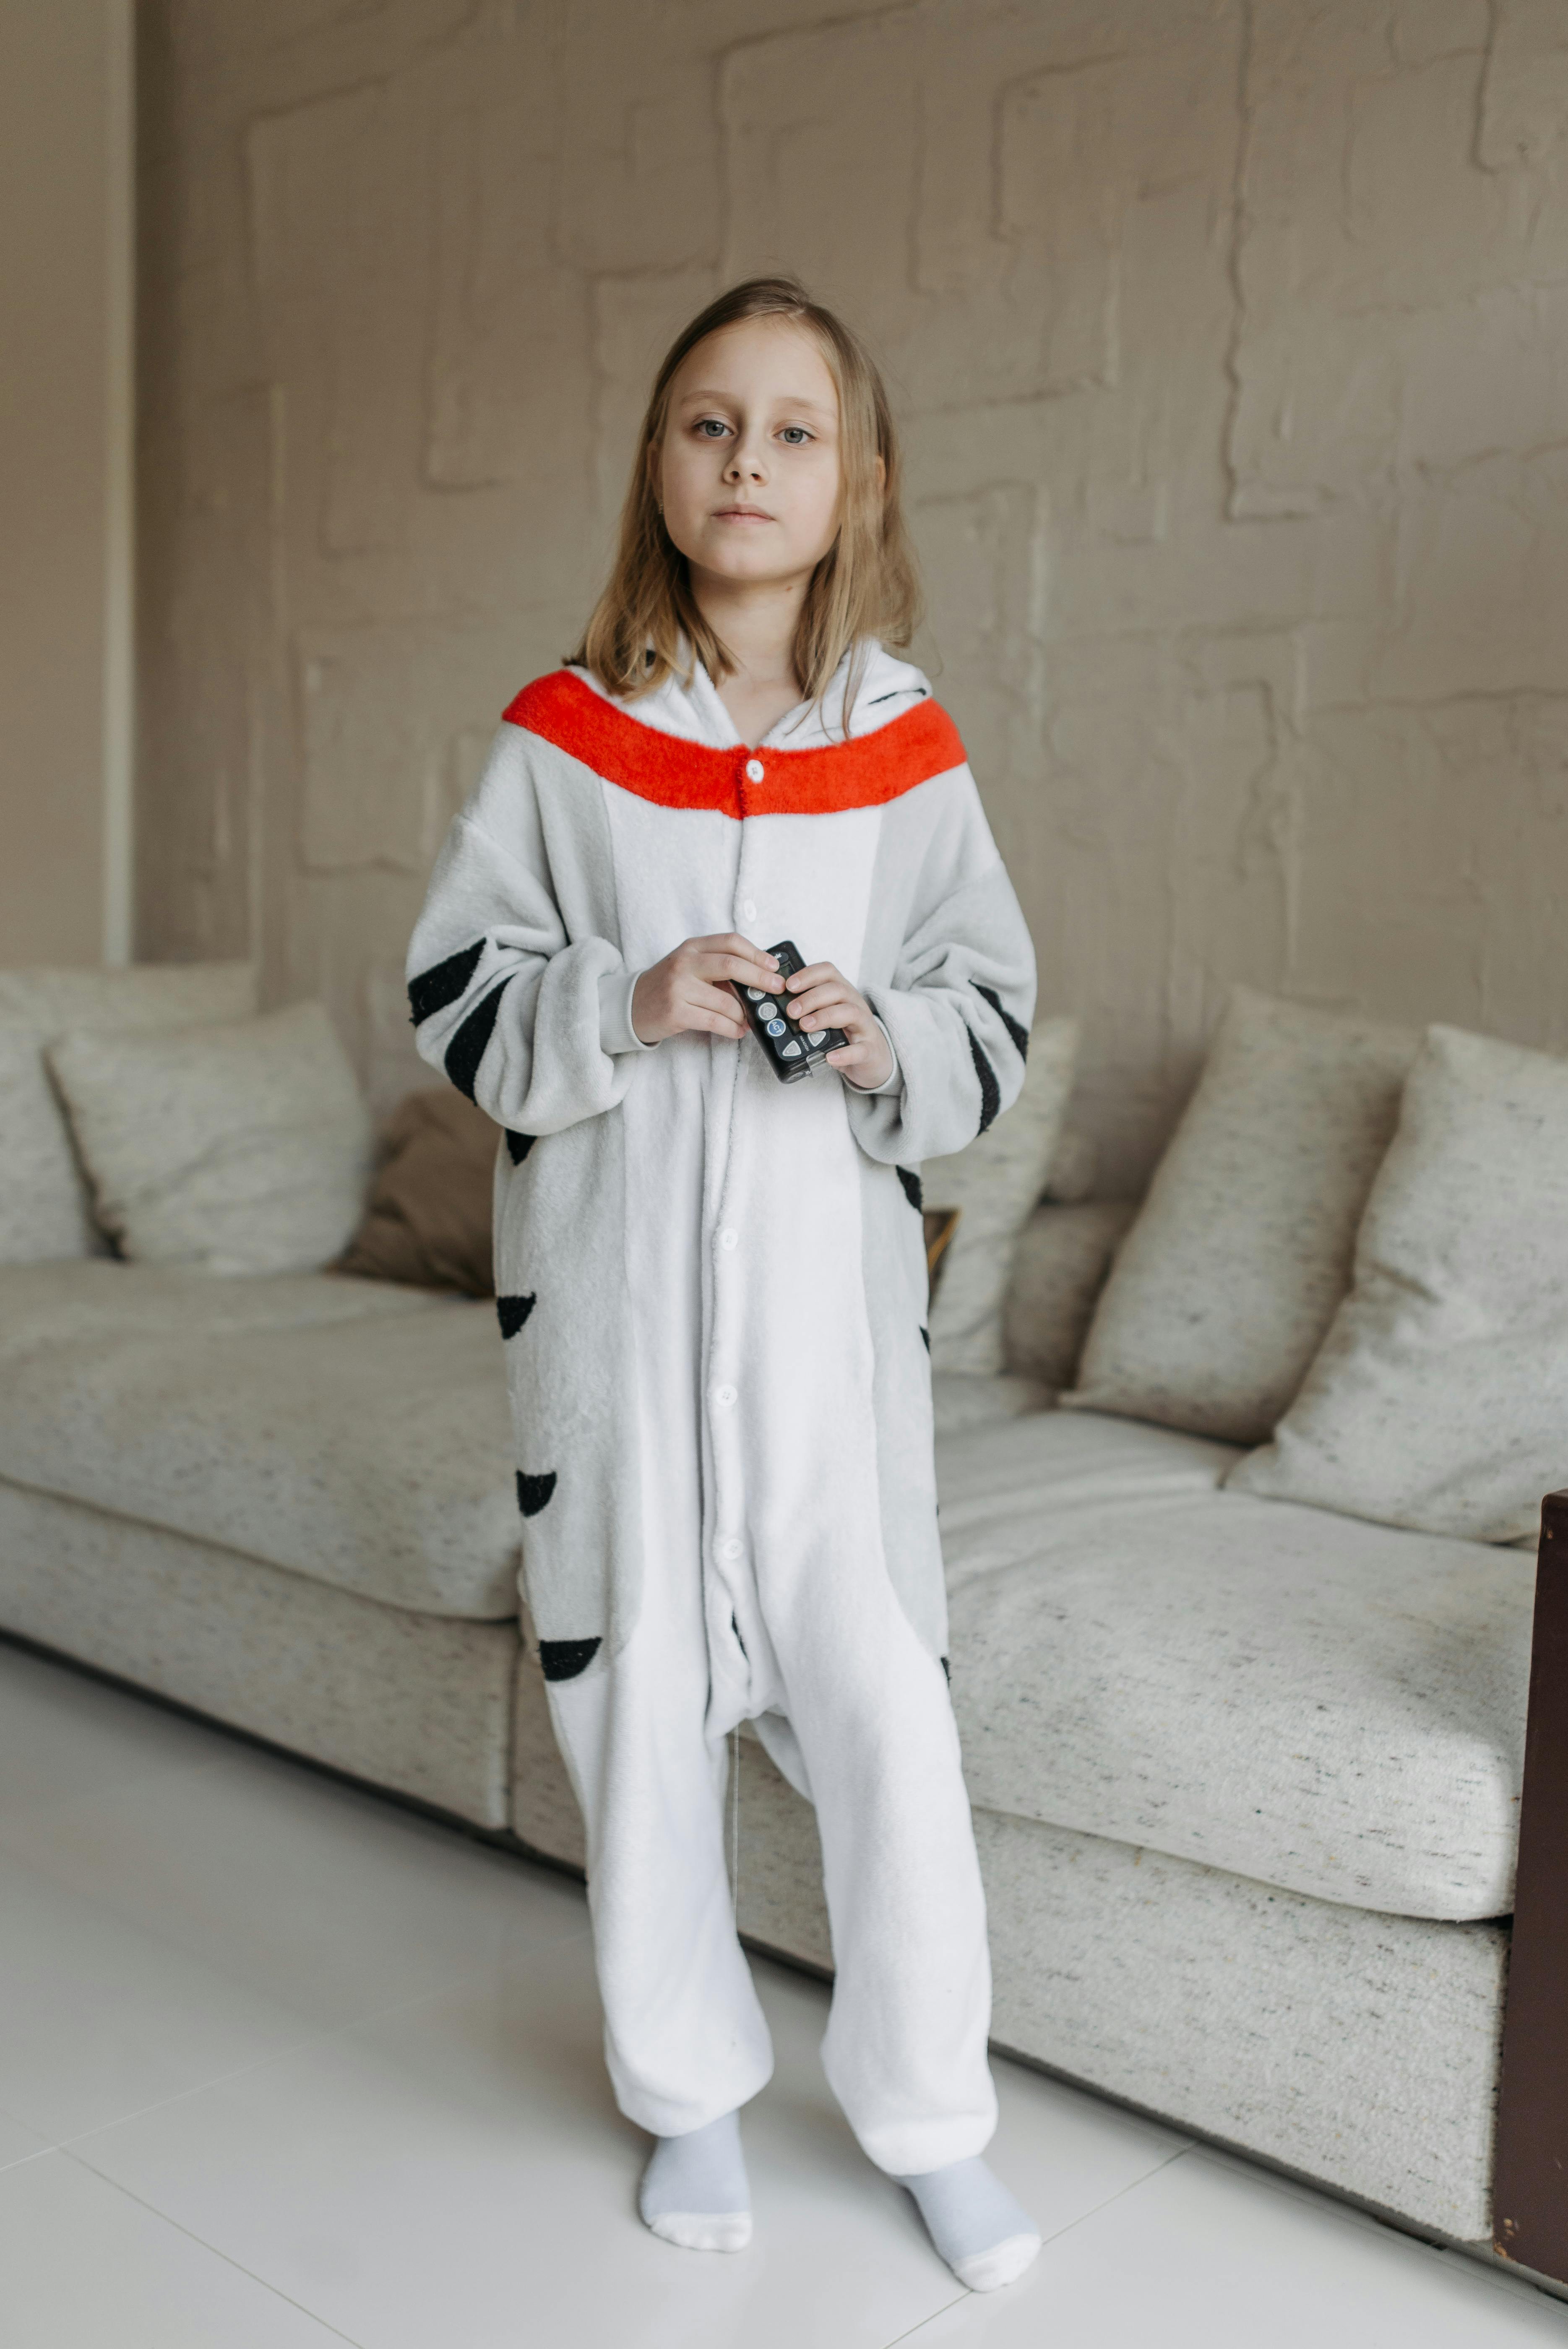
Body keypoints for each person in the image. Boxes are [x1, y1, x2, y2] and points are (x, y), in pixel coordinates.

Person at [406, 276, 1040, 2293]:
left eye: (788, 428)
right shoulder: (564, 738)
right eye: (706, 422)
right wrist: (629, 993)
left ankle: (930, 2114)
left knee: (888, 1727)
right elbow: (457, 993)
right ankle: (684, 2091)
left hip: (824, 1365)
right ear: (658, 464)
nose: (745, 460)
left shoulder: (908, 743)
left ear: (854, 477)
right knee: (642, 1715)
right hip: (614, 1341)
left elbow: (991, 1005)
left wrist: (879, 1039)